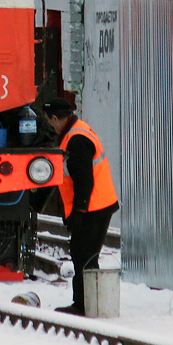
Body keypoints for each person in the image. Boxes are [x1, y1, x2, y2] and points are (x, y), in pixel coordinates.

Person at [43, 96, 119, 316]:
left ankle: (85, 306)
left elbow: (85, 181)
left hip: (94, 208)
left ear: (56, 118)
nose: (49, 126)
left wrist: (78, 212)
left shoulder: (76, 139)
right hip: (95, 206)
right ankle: (88, 304)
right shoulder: (75, 131)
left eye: (49, 121)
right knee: (82, 254)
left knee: (84, 256)